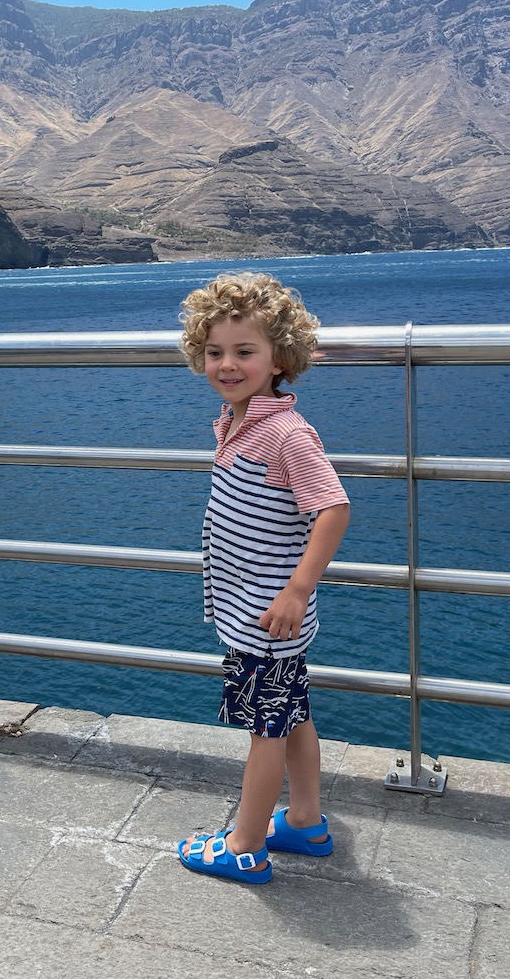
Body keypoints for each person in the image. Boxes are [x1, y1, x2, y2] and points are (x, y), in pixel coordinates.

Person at [175, 272, 351, 884]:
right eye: (215, 351)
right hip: (258, 610)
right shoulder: (240, 422)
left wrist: (296, 590)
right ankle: (305, 820)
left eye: (245, 351)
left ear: (280, 357)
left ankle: (245, 845)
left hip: (268, 616)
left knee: (264, 727)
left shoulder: (283, 433)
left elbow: (332, 507)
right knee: (292, 713)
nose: (227, 364)